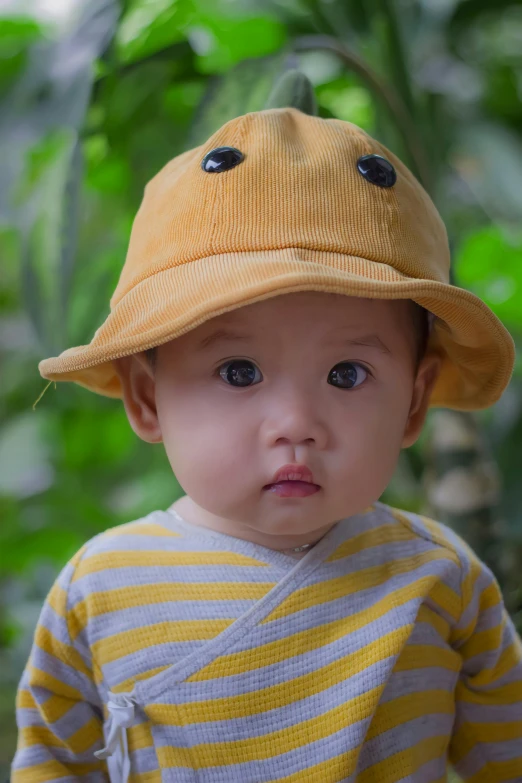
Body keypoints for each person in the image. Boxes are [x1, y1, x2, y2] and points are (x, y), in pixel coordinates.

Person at [12, 70, 522, 783]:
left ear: (413, 401)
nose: (296, 424)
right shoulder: (100, 590)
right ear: (147, 399)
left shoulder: (441, 579)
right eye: (239, 372)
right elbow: (53, 764)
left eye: (346, 375)